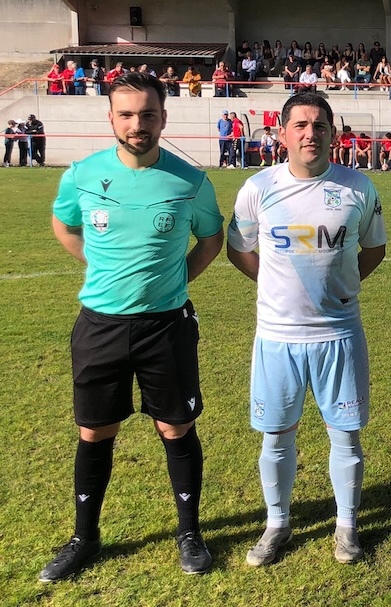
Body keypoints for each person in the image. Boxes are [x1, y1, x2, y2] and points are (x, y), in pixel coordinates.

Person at [41, 71, 224, 583]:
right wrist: (94, 266)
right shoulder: (80, 174)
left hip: (166, 326)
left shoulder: (191, 181)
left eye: (147, 114)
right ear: (112, 119)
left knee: (175, 427)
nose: (137, 124)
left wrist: (176, 281)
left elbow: (210, 239)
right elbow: (64, 223)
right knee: (95, 431)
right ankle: (84, 537)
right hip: (100, 324)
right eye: (127, 114)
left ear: (164, 118)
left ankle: (189, 532)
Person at [226, 91, 386, 568]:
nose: (309, 134)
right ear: (282, 133)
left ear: (333, 134)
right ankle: (276, 523)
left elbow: (373, 250)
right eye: (300, 125)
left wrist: (340, 286)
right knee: (275, 436)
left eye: (319, 126)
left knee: (346, 435)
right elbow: (240, 248)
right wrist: (275, 286)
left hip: (339, 333)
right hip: (277, 337)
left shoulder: (359, 187)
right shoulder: (257, 188)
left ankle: (347, 526)